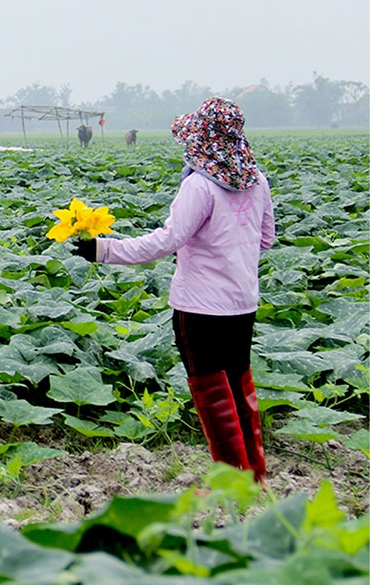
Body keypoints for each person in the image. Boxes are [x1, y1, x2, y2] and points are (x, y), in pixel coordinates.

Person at [76, 97, 275, 483]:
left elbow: (166, 241)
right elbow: (265, 239)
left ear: (199, 138)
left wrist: (104, 249)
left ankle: (232, 482)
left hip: (200, 307)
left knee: (212, 392)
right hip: (243, 302)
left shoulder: (200, 186)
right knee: (239, 384)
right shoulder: (257, 180)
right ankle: (254, 476)